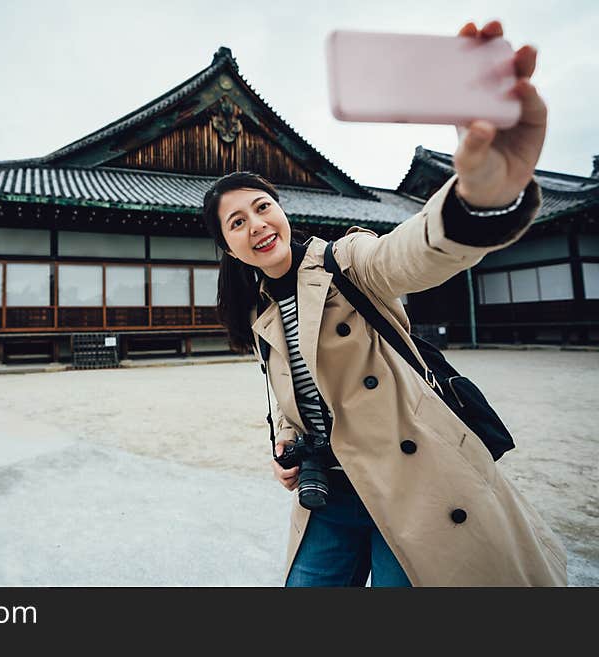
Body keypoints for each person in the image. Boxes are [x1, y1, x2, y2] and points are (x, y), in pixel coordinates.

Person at [201, 21, 566, 586]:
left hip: (410, 483)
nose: (257, 225)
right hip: (333, 494)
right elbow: (289, 398)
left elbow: (411, 254)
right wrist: (283, 444)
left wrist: (481, 201)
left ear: (283, 209)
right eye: (237, 222)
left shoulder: (348, 260)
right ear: (226, 244)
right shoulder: (259, 315)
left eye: (262, 206)